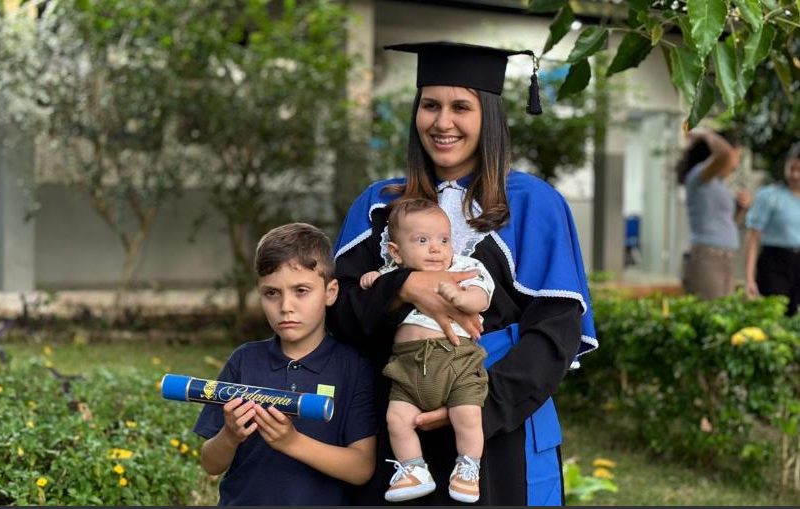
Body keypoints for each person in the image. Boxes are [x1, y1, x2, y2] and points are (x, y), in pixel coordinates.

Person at [328, 41, 596, 506]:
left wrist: (479, 408)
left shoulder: (533, 203)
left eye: (460, 107)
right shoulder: (379, 204)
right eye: (430, 105)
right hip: (397, 419)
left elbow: (556, 333)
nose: (442, 122)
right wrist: (404, 285)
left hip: (495, 426)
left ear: (488, 116)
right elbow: (339, 310)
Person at [193, 223, 377, 505]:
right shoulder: (244, 361)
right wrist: (230, 435)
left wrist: (291, 443)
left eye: (301, 290)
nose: (285, 306)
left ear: (330, 292)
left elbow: (361, 467)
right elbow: (210, 464)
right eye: (271, 293)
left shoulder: (352, 366)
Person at [360, 198, 494, 503]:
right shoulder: (394, 274)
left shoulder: (465, 267)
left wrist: (460, 299)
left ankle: (468, 467)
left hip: (456, 361)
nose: (436, 249)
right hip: (406, 369)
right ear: (396, 252)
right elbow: (375, 292)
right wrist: (376, 280)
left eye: (443, 240)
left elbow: (480, 299)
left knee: (468, 414)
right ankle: (413, 469)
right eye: (422, 241)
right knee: (397, 418)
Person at [676, 127, 751, 300]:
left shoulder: (717, 185)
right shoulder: (697, 177)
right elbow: (724, 154)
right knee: (712, 313)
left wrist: (740, 208)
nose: (736, 163)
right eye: (736, 156)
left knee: (724, 315)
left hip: (725, 257)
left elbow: (726, 223)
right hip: (707, 258)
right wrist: (703, 133)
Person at [744, 143, 800, 315]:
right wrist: (749, 278)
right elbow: (753, 237)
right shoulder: (770, 196)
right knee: (775, 316)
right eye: (792, 168)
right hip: (774, 264)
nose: (795, 175)